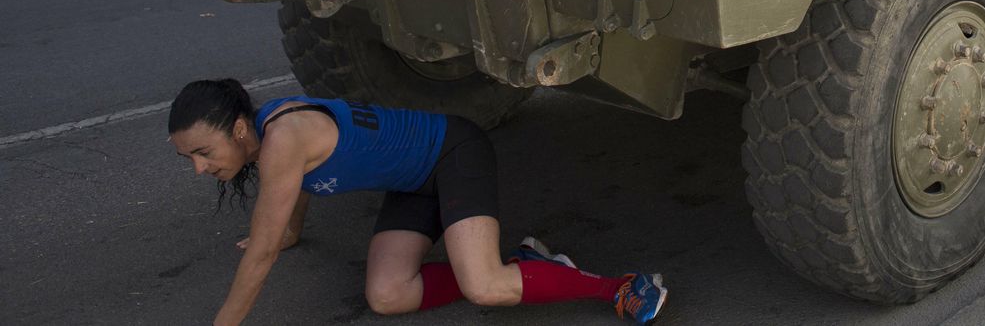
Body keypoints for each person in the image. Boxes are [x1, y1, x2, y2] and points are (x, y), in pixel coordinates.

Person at [167, 79, 667, 325]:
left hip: (453, 154)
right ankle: (526, 266)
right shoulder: (265, 136)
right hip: (413, 183)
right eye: (189, 157)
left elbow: (262, 252)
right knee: (387, 296)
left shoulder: (282, 138)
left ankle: (616, 287)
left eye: (203, 153)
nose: (198, 167)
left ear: (237, 128)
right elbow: (288, 192)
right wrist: (291, 232)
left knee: (486, 288)